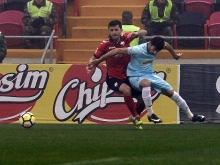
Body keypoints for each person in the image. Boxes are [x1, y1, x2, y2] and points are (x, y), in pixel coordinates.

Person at [87, 36, 206, 123]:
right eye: (153, 49)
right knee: (146, 83)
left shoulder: (159, 45)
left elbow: (167, 45)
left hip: (150, 74)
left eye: (156, 51)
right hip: (134, 76)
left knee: (172, 93)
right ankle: (150, 114)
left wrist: (174, 56)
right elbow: (117, 50)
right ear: (150, 43)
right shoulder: (138, 49)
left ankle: (191, 116)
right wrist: (98, 61)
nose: (154, 52)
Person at [86, 20, 162, 129]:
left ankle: (134, 116)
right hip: (114, 78)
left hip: (129, 76)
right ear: (109, 31)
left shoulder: (126, 37)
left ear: (121, 30)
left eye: (116, 30)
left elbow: (144, 32)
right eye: (112, 30)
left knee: (142, 99)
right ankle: (136, 117)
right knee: (127, 90)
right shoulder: (105, 44)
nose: (114, 32)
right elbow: (93, 57)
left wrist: (137, 33)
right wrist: (89, 64)